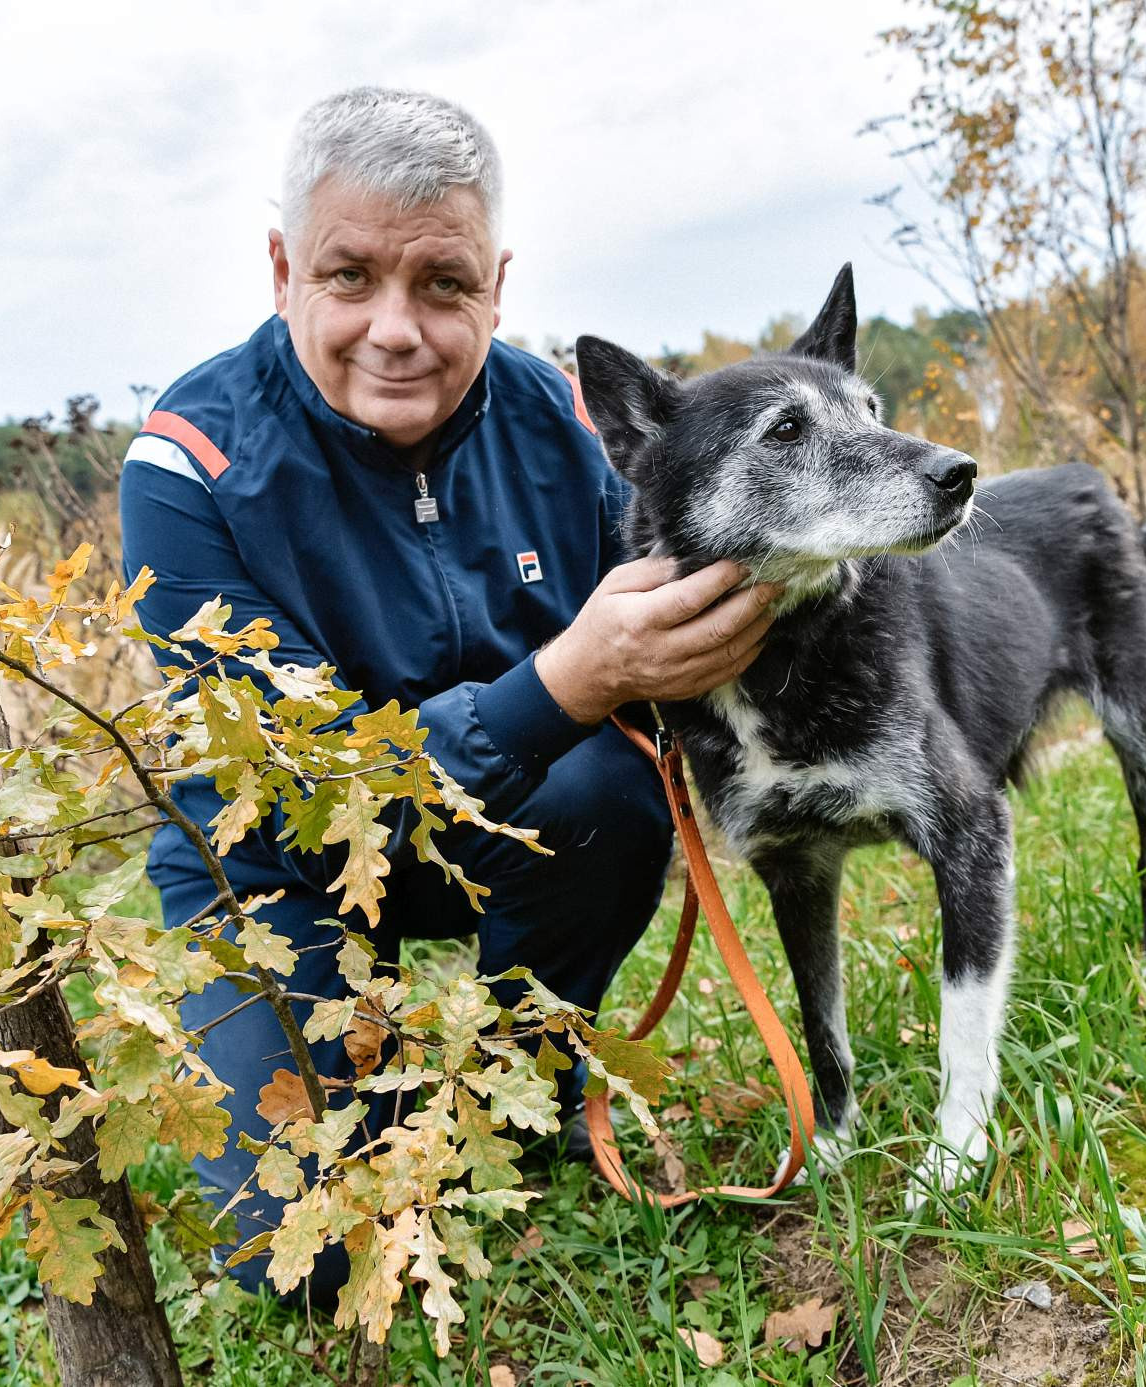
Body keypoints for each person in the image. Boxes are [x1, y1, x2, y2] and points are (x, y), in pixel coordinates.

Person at [117, 87, 778, 1298]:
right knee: (302, 1256)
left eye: (441, 284)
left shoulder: (569, 422)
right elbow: (311, 784)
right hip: (275, 864)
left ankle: (520, 1080)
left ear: (496, 286)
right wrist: (572, 677)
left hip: (512, 824)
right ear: (282, 269)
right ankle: (366, 1092)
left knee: (609, 789)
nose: (396, 330)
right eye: (349, 276)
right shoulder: (186, 464)